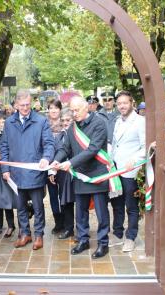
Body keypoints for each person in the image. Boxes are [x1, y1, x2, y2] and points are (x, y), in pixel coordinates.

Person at [52, 96, 110, 258]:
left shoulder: (99, 124)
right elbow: (65, 148)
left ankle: (103, 243)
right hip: (80, 175)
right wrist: (56, 160)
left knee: (101, 212)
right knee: (81, 212)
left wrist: (70, 163)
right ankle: (83, 240)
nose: (74, 113)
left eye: (76, 110)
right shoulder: (72, 128)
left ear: (87, 108)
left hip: (97, 175)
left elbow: (92, 150)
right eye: (72, 110)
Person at [1, 89, 55, 250]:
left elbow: (49, 144)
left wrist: (46, 158)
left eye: (28, 104)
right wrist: (5, 168)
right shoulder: (9, 123)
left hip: (35, 172)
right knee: (21, 207)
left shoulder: (41, 121)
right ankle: (25, 233)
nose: (25, 108)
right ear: (16, 105)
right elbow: (4, 147)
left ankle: (38, 235)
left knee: (38, 208)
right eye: (22, 105)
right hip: (16, 174)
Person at [111, 90, 145, 252]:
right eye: (119, 104)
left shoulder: (140, 122)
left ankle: (130, 237)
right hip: (116, 169)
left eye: (125, 103)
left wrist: (135, 159)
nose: (122, 106)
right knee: (116, 202)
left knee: (131, 206)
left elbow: (146, 147)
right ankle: (117, 232)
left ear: (132, 103)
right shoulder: (118, 121)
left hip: (131, 171)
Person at [49, 108, 75, 239]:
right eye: (63, 120)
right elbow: (54, 153)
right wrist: (52, 170)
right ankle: (67, 227)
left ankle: (78, 228)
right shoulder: (59, 135)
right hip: (61, 173)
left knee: (78, 202)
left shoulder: (77, 134)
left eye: (68, 120)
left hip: (74, 172)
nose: (65, 123)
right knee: (64, 201)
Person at [0, 111, 16, 238]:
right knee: (7, 200)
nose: (1, 124)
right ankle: (11, 225)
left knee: (21, 198)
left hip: (16, 170)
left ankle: (27, 219)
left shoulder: (13, 134)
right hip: (3, 172)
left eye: (3, 122)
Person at [46, 99, 64, 234]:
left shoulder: (66, 123)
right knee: (52, 195)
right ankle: (57, 221)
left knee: (64, 194)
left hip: (63, 164)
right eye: (51, 108)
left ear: (60, 110)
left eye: (56, 108)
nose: (53, 111)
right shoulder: (44, 125)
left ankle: (66, 220)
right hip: (48, 165)